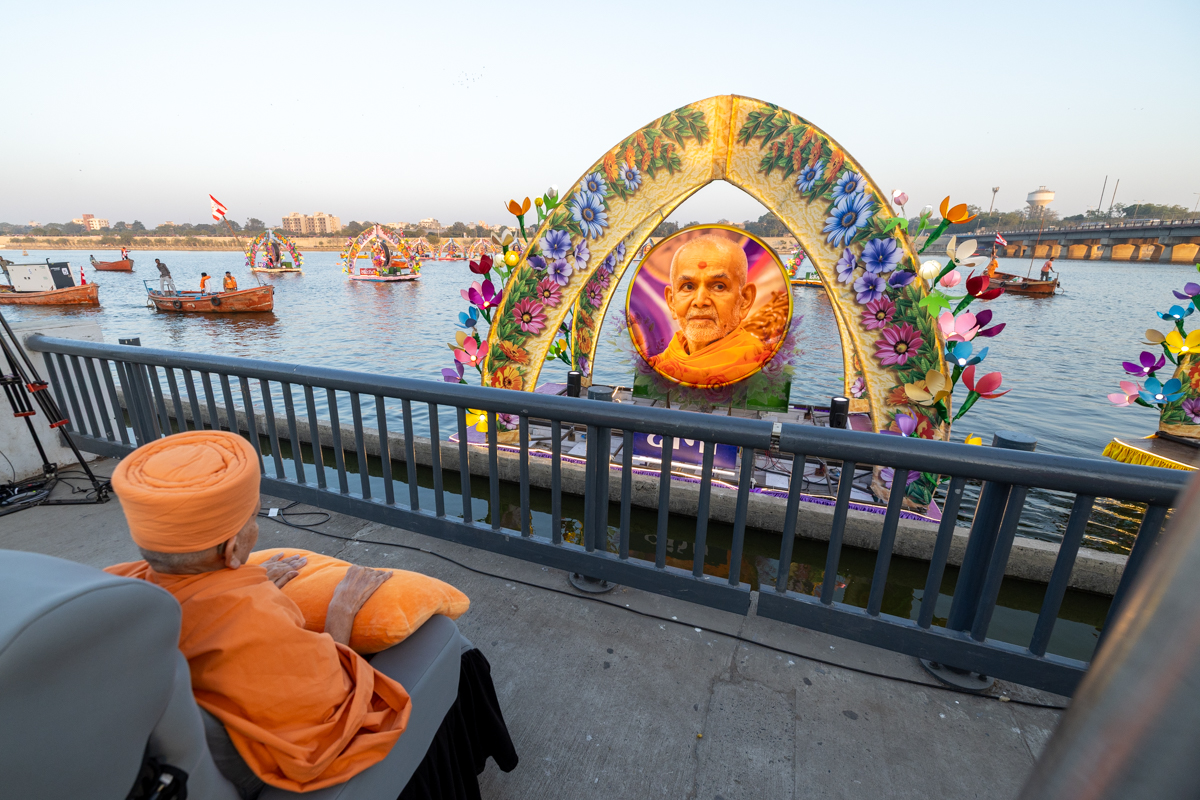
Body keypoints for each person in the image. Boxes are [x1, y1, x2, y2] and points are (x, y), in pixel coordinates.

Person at [103, 431, 517, 795]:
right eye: (252, 519)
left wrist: (238, 579)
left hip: (183, 756)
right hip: (258, 771)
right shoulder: (254, 625)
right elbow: (330, 698)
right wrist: (342, 607)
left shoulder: (116, 591)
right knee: (443, 636)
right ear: (232, 551)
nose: (255, 528)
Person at [647, 234, 772, 387]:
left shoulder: (767, 372)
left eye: (719, 286)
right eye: (688, 287)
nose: (700, 301)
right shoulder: (654, 368)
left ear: (744, 300)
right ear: (672, 302)